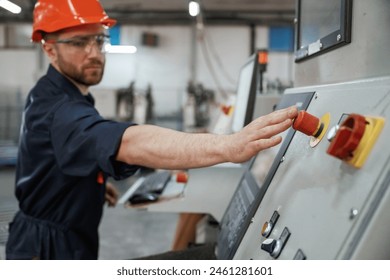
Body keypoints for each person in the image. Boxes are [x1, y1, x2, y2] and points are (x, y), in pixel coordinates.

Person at [5, 0, 298, 260]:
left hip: (63, 235)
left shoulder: (64, 94)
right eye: (79, 42)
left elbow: (59, 156)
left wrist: (90, 185)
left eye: (99, 39)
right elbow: (131, 142)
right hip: (45, 251)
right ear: (49, 48)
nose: (94, 53)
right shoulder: (61, 110)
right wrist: (228, 146)